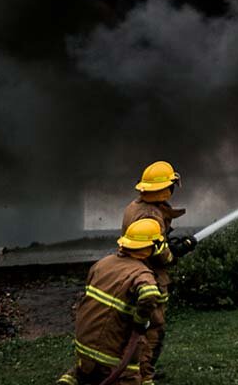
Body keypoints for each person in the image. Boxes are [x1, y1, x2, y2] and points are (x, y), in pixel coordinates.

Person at [57, 218, 168, 385]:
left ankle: (72, 378)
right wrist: (140, 322)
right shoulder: (141, 274)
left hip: (83, 348)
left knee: (83, 373)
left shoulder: (103, 263)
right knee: (130, 377)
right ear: (151, 247)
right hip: (111, 356)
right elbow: (149, 294)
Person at [121, 161, 193, 380]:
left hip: (134, 272)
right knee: (152, 330)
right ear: (165, 189)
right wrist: (177, 251)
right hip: (149, 275)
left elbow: (147, 241)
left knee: (139, 328)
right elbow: (158, 254)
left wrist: (167, 241)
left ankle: (140, 371)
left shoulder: (135, 206)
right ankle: (143, 375)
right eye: (171, 185)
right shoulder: (151, 215)